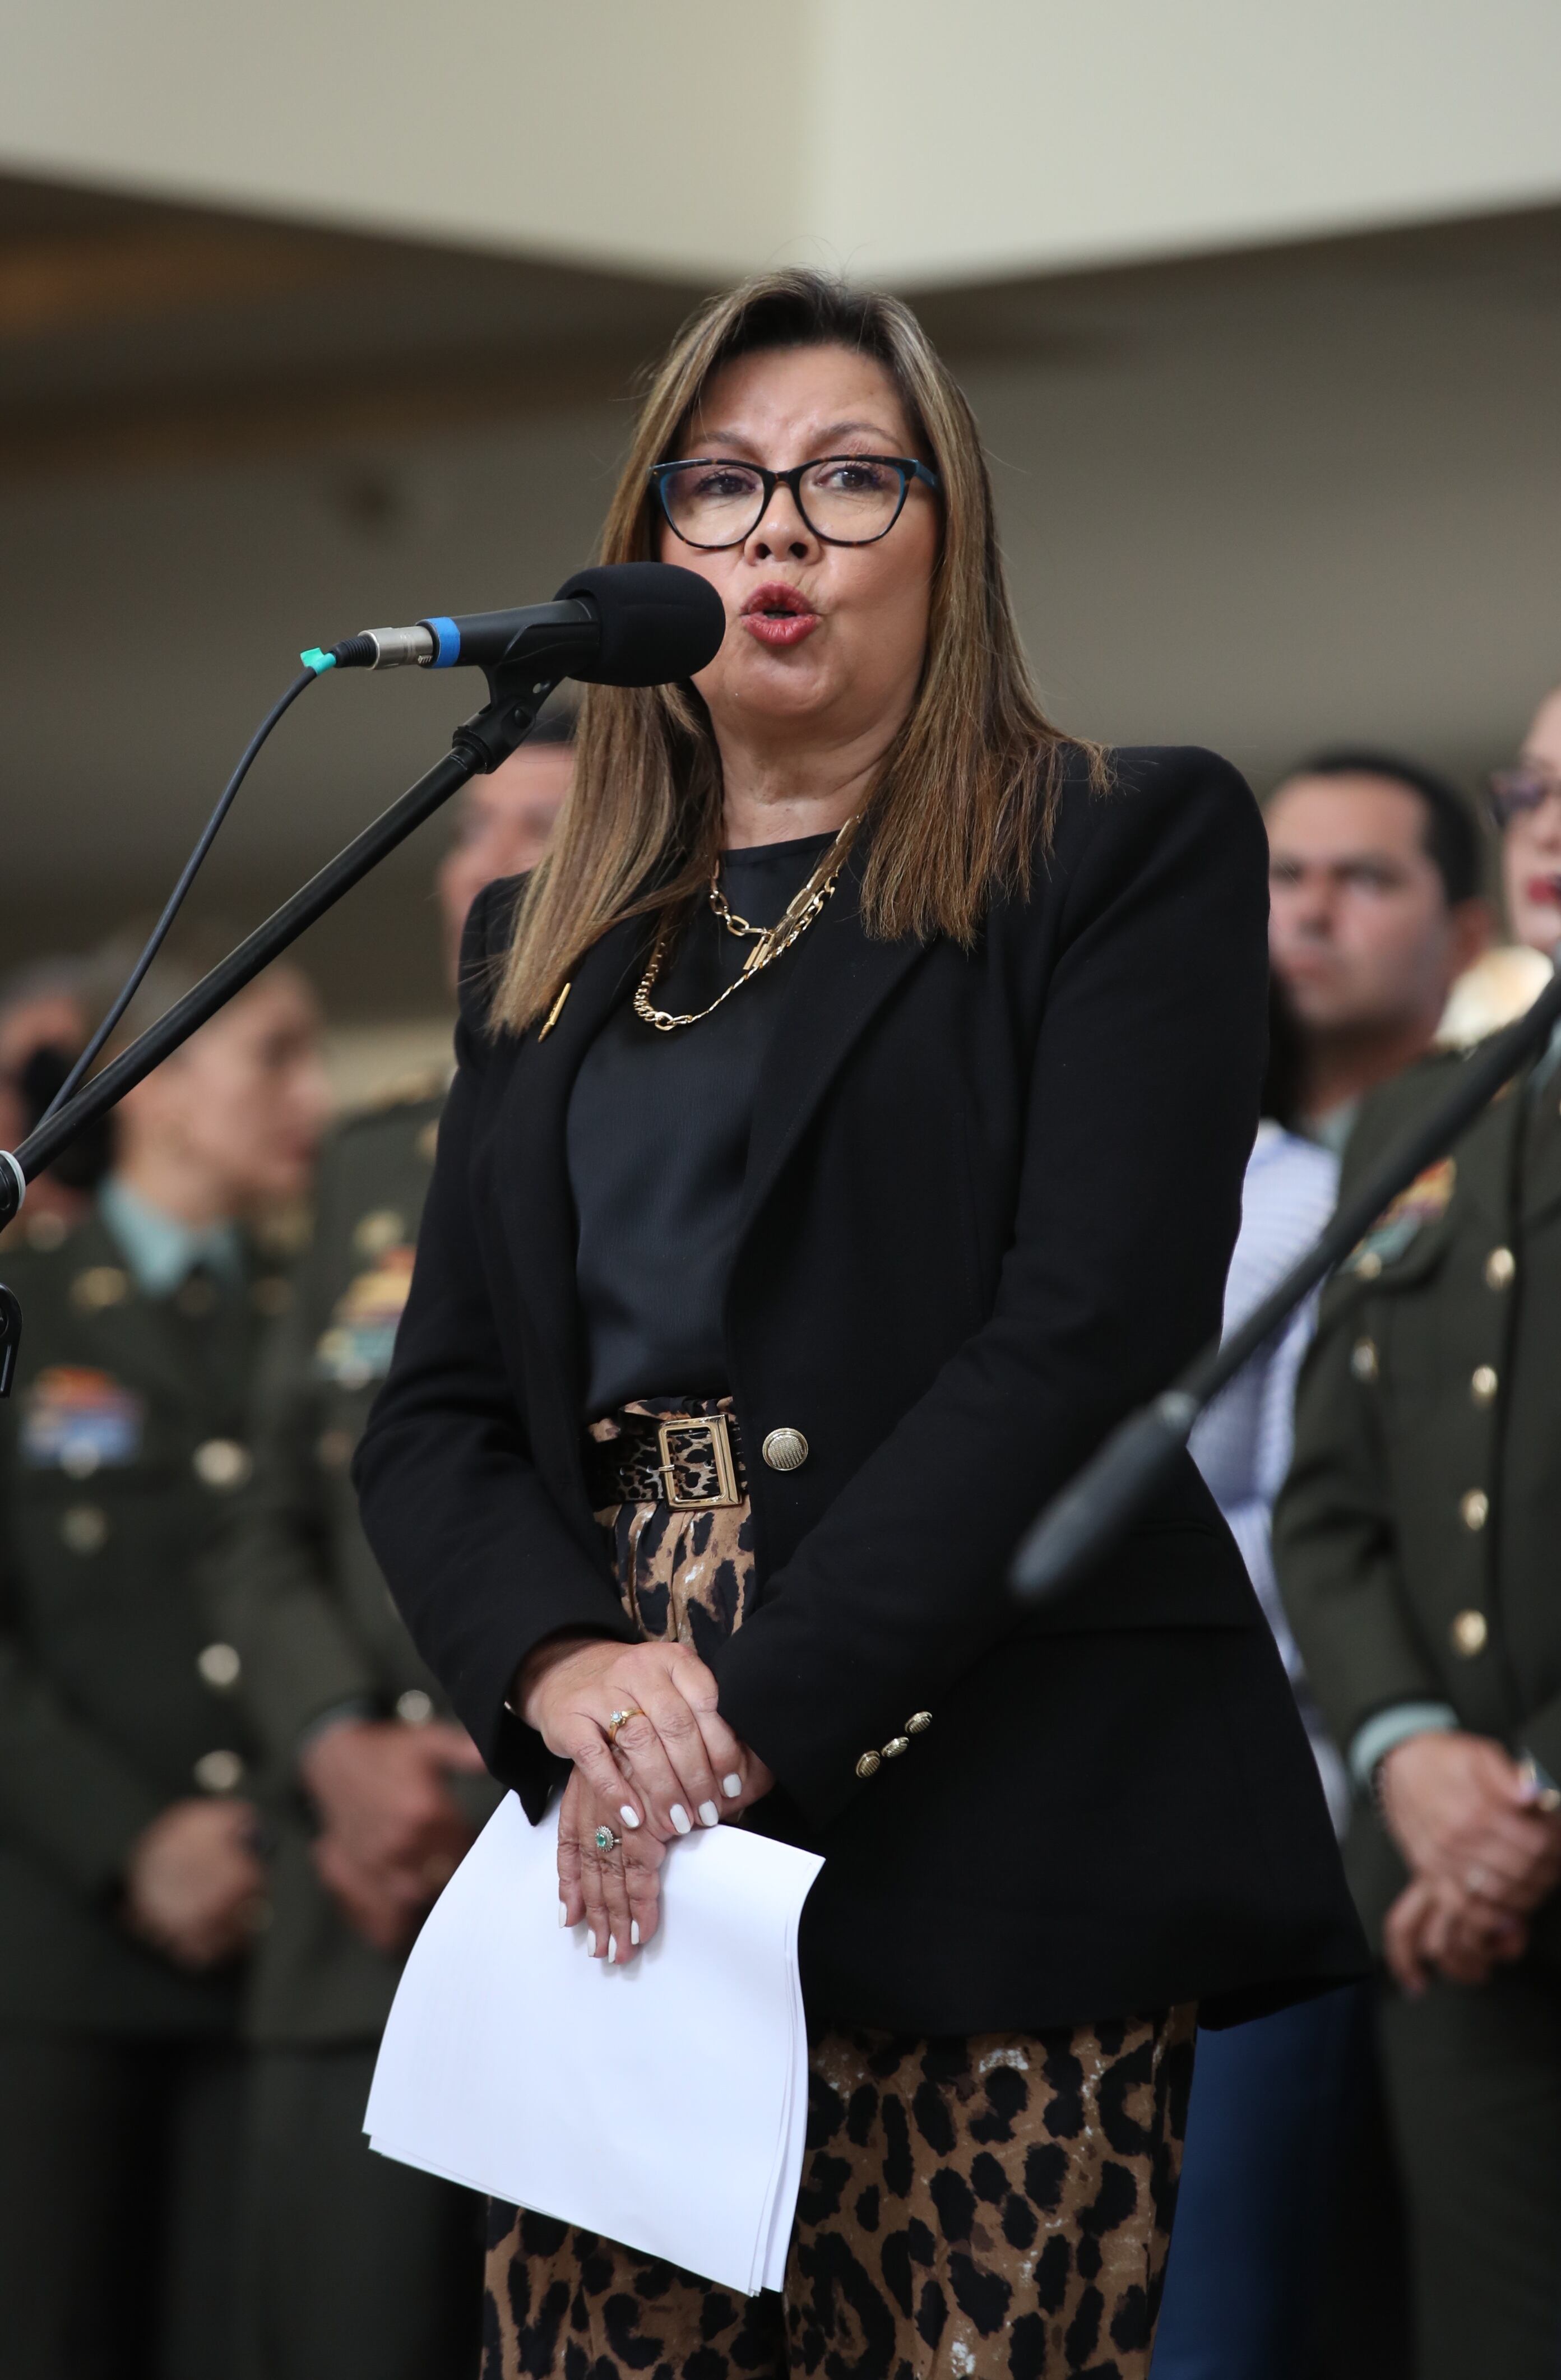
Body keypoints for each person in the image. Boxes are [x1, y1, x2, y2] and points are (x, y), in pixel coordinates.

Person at [353, 267, 1364, 2380]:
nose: (779, 535)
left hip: (990, 1787)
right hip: (616, 1763)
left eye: (846, 479)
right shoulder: (542, 937)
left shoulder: (1113, 842)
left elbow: (1085, 1334)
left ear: (946, 531)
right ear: (650, 543)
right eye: (719, 485)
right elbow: (436, 1409)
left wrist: (736, 1715)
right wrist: (563, 1672)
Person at [209, 720, 572, 2380]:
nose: (483, 866)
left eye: (538, 824)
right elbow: (268, 1517)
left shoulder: (695, 1125)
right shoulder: (369, 1159)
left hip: (577, 1857)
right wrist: (331, 1740)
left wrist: (494, 1734)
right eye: (465, 833)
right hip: (359, 1893)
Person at [1276, 679, 1561, 2380]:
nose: (1546, 827)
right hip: (1449, 1900)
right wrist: (1404, 1750)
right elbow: (1329, 1500)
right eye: (1527, 791)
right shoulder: (1426, 1109)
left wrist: (1529, 1790)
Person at [0, 953, 331, 2380]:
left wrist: (263, 1825)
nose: (312, 1096)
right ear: (159, 1080)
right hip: (60, 1954)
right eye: (274, 1055)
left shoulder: (313, 1309)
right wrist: (131, 1842)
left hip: (281, 1936)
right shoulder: (21, 1302)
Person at [1150, 1025, 1354, 2379]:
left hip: (1225, 1786)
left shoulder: (1304, 1199)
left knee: (1203, 2317)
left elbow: (1315, 1513)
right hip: (1000, 1801)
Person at [1265, 749, 1491, 1151]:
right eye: (1286, 875)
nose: (1311, 912)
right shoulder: (1178, 1135)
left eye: (1366, 879)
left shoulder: (1508, 1148)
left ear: (1464, 940)